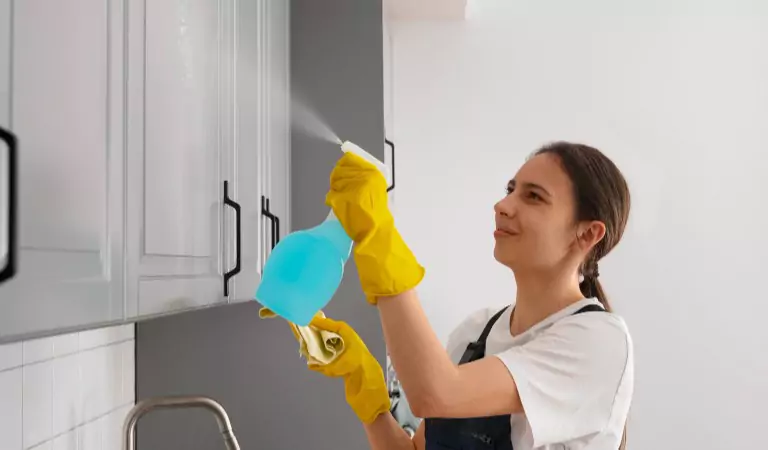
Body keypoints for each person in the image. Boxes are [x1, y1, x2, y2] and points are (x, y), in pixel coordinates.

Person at [301, 141, 634, 450]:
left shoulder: (598, 342)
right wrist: (361, 381)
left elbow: (436, 393)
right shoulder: (476, 332)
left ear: (588, 233)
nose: (502, 205)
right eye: (510, 190)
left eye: (533, 196)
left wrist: (378, 237)